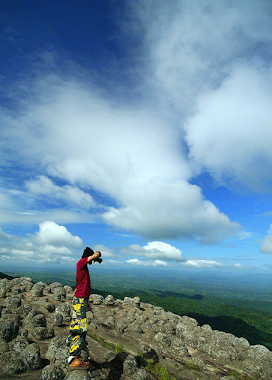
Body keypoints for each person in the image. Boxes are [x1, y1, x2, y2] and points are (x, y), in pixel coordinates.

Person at [67, 247, 102, 370]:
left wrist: (87, 302)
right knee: (79, 327)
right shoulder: (81, 263)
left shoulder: (84, 266)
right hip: (80, 300)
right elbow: (92, 256)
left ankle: (73, 345)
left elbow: (82, 286)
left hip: (82, 300)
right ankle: (74, 359)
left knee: (79, 325)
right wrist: (96, 255)